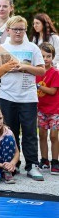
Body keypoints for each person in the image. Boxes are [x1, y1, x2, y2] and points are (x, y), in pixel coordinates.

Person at [0, 16, 46, 181]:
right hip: (7, 96)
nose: (18, 32)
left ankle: (32, 165)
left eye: (22, 29)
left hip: (28, 97)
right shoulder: (2, 48)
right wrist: (6, 67)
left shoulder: (32, 48)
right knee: (10, 132)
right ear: (8, 30)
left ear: (25, 30)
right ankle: (12, 165)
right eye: (15, 29)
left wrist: (24, 67)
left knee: (30, 133)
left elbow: (41, 71)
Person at [35, 43, 59, 174]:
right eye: (42, 56)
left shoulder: (55, 73)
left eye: (48, 56)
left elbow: (52, 91)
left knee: (54, 136)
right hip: (41, 109)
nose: (45, 59)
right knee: (42, 135)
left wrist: (37, 86)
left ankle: (55, 161)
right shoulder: (36, 71)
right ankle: (44, 159)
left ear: (53, 57)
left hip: (55, 110)